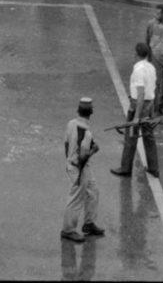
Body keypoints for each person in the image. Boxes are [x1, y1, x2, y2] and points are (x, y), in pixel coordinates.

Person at [110, 41, 159, 178]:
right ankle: (154, 167)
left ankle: (126, 167)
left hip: (139, 105)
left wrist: (137, 116)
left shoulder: (138, 70)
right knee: (149, 137)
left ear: (136, 54)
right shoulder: (151, 67)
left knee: (131, 136)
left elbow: (141, 94)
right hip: (150, 105)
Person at [61, 97, 104, 243]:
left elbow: (67, 144)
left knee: (93, 191)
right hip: (80, 167)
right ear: (91, 113)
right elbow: (84, 155)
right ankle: (68, 230)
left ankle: (89, 223)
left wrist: (69, 160)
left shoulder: (71, 123)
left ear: (78, 111)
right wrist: (94, 150)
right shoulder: (86, 133)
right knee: (76, 198)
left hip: (73, 164)